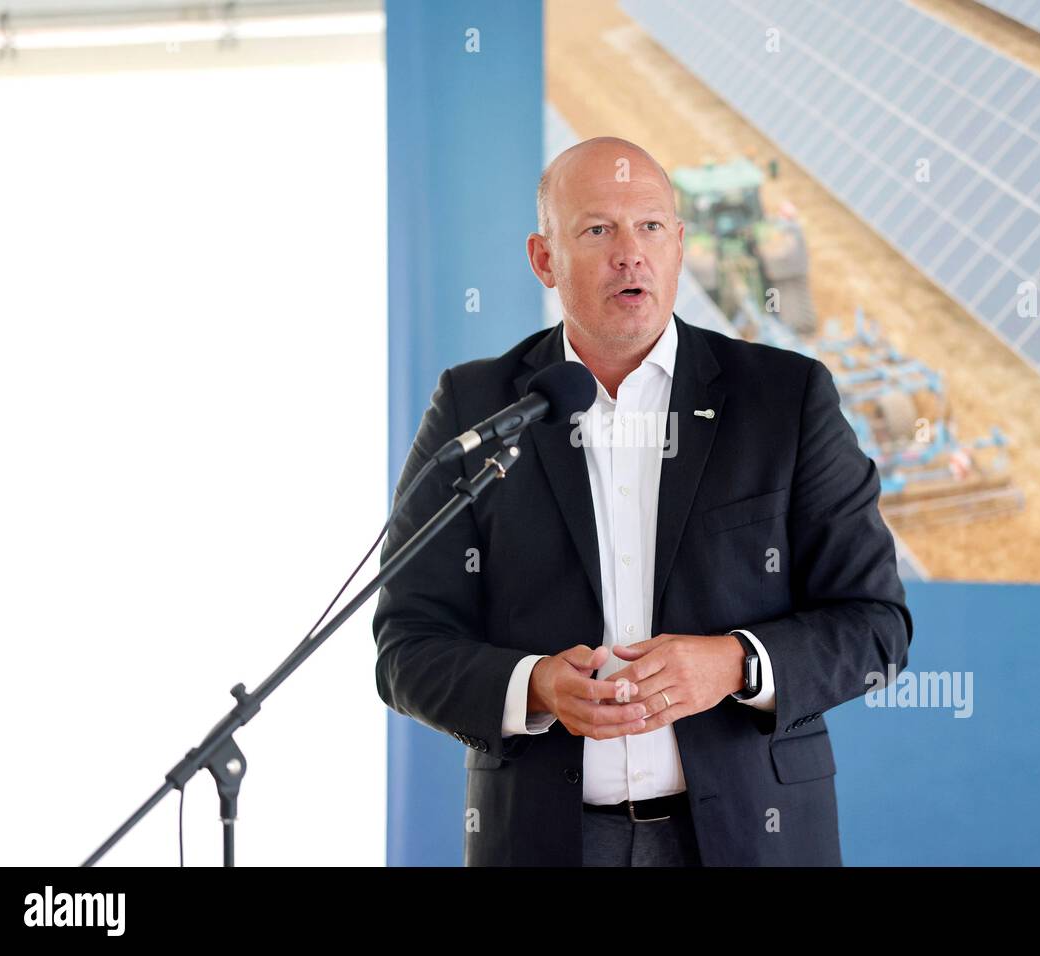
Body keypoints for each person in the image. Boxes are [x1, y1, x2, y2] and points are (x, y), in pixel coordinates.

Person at [372, 136, 912, 866]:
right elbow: (407, 643)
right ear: (544, 259)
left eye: (651, 226)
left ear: (681, 245)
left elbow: (876, 625)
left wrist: (735, 664)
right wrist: (532, 686)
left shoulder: (784, 399)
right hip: (542, 842)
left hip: (752, 835)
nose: (631, 252)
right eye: (597, 230)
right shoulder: (477, 406)